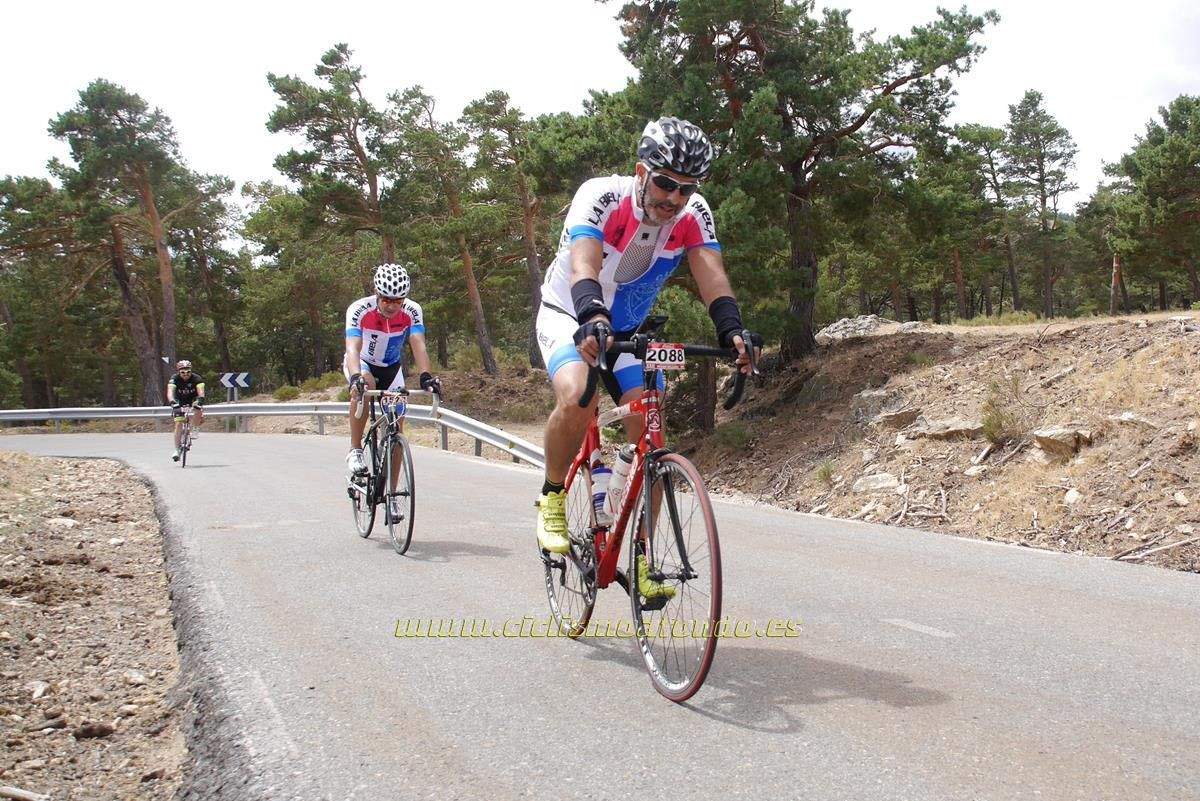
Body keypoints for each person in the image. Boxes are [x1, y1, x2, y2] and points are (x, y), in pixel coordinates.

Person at [533, 116, 760, 598]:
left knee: (652, 439)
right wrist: (591, 313)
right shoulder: (601, 195)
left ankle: (638, 554)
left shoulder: (693, 214)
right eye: (664, 183)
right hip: (570, 312)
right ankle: (552, 496)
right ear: (642, 171)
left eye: (685, 188)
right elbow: (583, 263)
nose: (674, 198)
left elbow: (712, 276)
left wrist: (732, 329)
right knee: (578, 397)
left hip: (629, 333)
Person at [343, 263, 442, 515]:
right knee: (366, 385)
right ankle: (355, 450)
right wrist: (355, 377)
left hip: (391, 368)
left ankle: (393, 494)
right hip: (362, 364)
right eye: (386, 299)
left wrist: (426, 376)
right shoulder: (359, 309)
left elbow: (418, 343)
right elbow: (352, 347)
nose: (391, 305)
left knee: (397, 430)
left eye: (397, 300)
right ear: (376, 293)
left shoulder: (412, 311)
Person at [167, 360, 205, 461]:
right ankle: (176, 450)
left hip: (193, 399)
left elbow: (201, 392)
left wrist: (200, 400)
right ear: (179, 372)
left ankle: (195, 429)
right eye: (183, 372)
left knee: (198, 409)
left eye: (188, 372)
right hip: (179, 400)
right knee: (178, 423)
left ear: (191, 371)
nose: (186, 375)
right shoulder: (174, 379)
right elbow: (170, 392)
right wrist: (172, 402)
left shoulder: (197, 378)